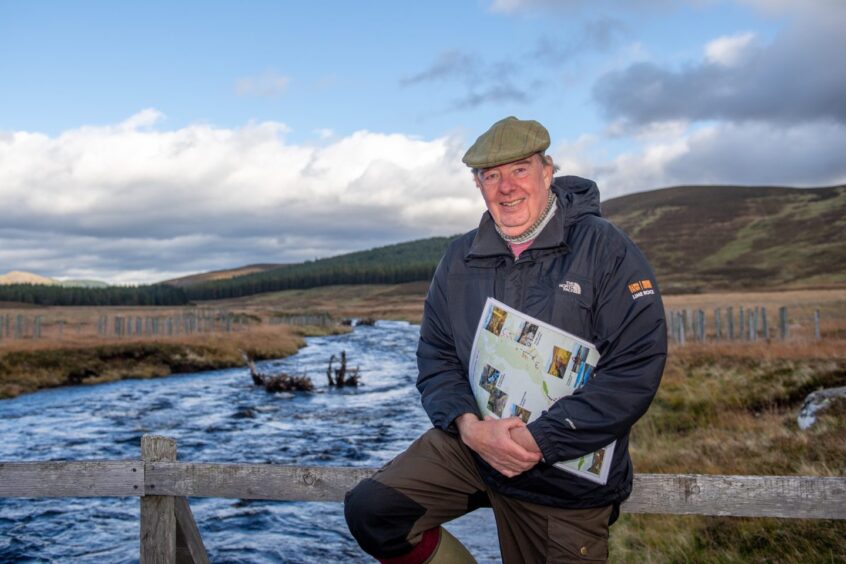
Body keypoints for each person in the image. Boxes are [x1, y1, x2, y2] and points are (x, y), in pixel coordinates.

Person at [345, 117, 667, 563]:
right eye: (490, 175)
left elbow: (635, 368)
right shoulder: (459, 259)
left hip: (564, 474)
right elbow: (436, 357)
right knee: (375, 511)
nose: (506, 187)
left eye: (519, 169)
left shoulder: (605, 248)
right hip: (475, 448)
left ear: (547, 171)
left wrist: (538, 442)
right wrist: (468, 427)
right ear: (477, 184)